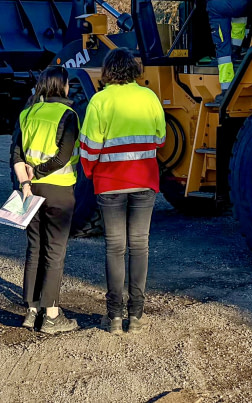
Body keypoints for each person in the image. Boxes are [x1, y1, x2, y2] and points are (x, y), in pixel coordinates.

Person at [78, 49, 165, 335]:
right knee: (140, 245)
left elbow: (89, 147)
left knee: (115, 248)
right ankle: (136, 317)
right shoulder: (149, 97)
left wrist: (92, 173)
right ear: (132, 70)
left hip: (110, 183)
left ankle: (115, 317)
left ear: (108, 71)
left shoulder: (100, 100)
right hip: (144, 181)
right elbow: (161, 138)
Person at [8, 66, 80, 334]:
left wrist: (27, 180)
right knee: (55, 252)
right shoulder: (68, 114)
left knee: (34, 248)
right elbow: (63, 157)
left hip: (30, 191)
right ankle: (51, 315)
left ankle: (31, 310)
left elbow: (16, 151)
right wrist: (38, 172)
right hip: (59, 189)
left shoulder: (27, 113)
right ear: (62, 87)